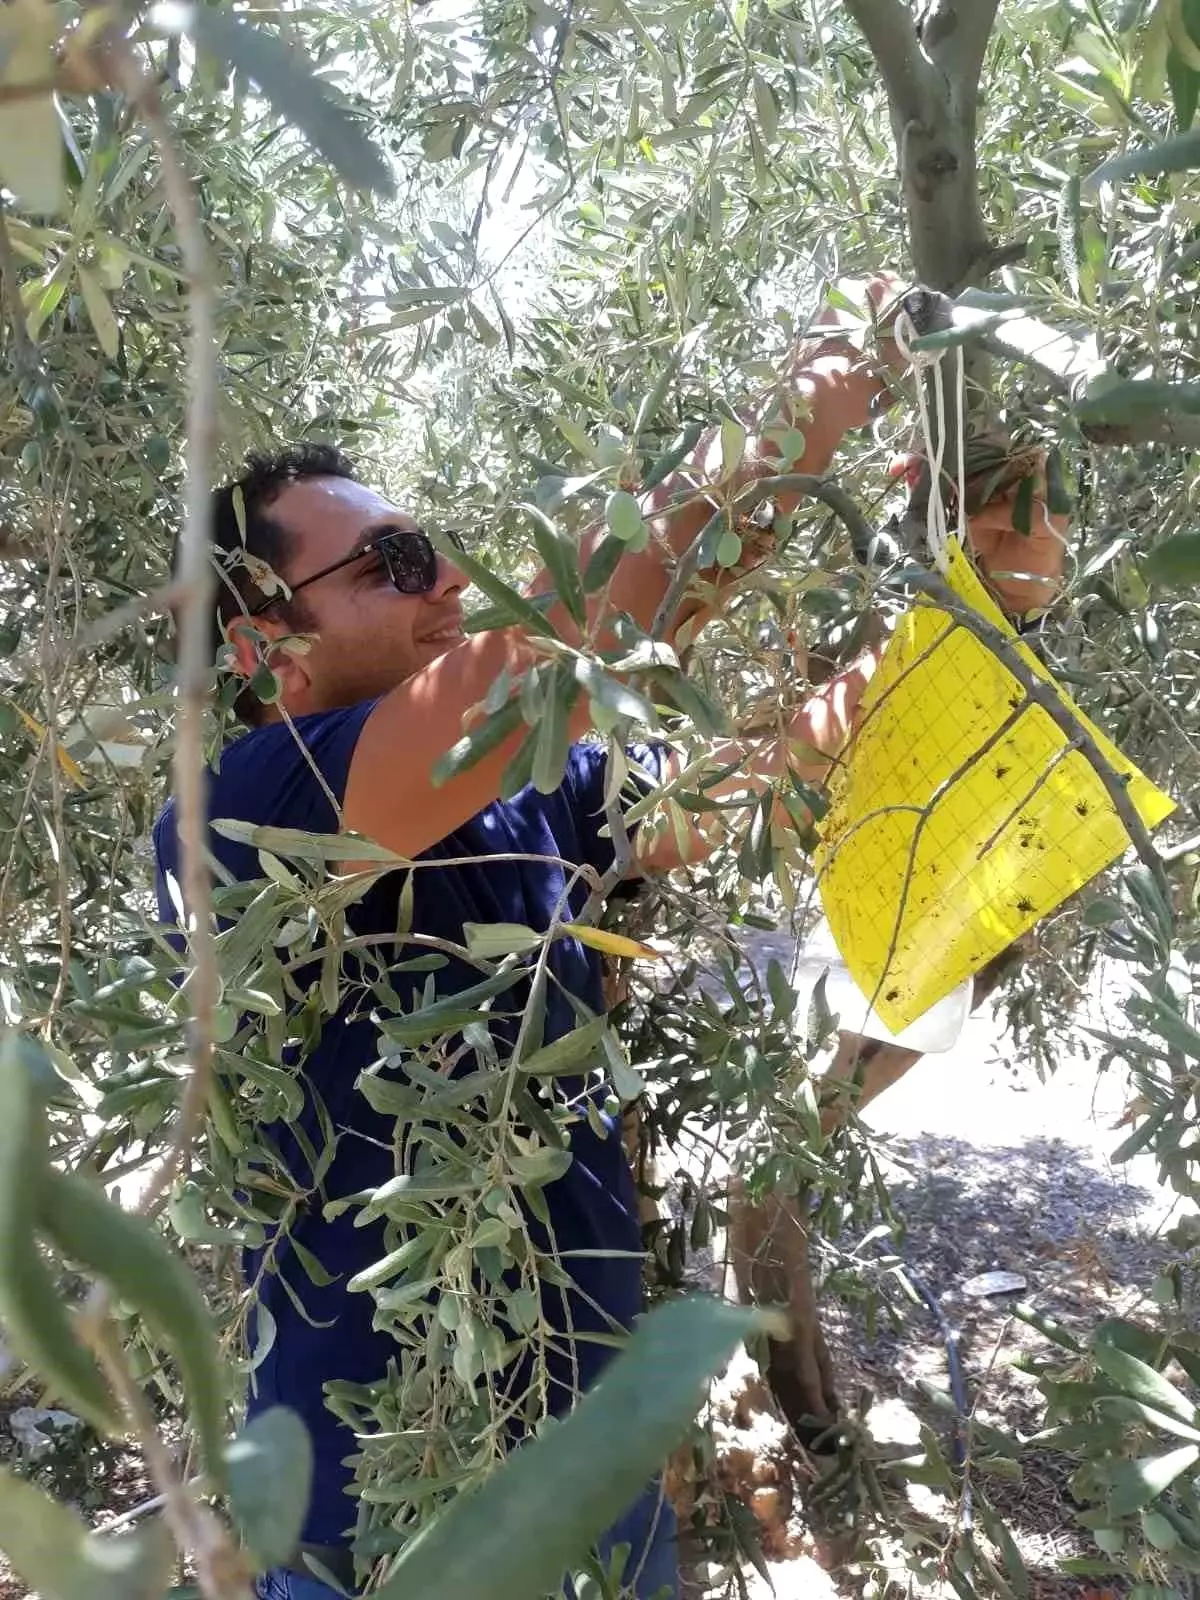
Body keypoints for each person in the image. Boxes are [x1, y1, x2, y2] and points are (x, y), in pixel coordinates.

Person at [152, 288, 1064, 1599]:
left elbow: (753, 785)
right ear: (260, 642)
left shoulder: (538, 784)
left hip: (589, 1461)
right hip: (371, 1508)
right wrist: (795, 419)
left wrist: (969, 608)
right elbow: (565, 642)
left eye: (434, 548)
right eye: (393, 564)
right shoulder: (240, 804)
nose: (448, 582)